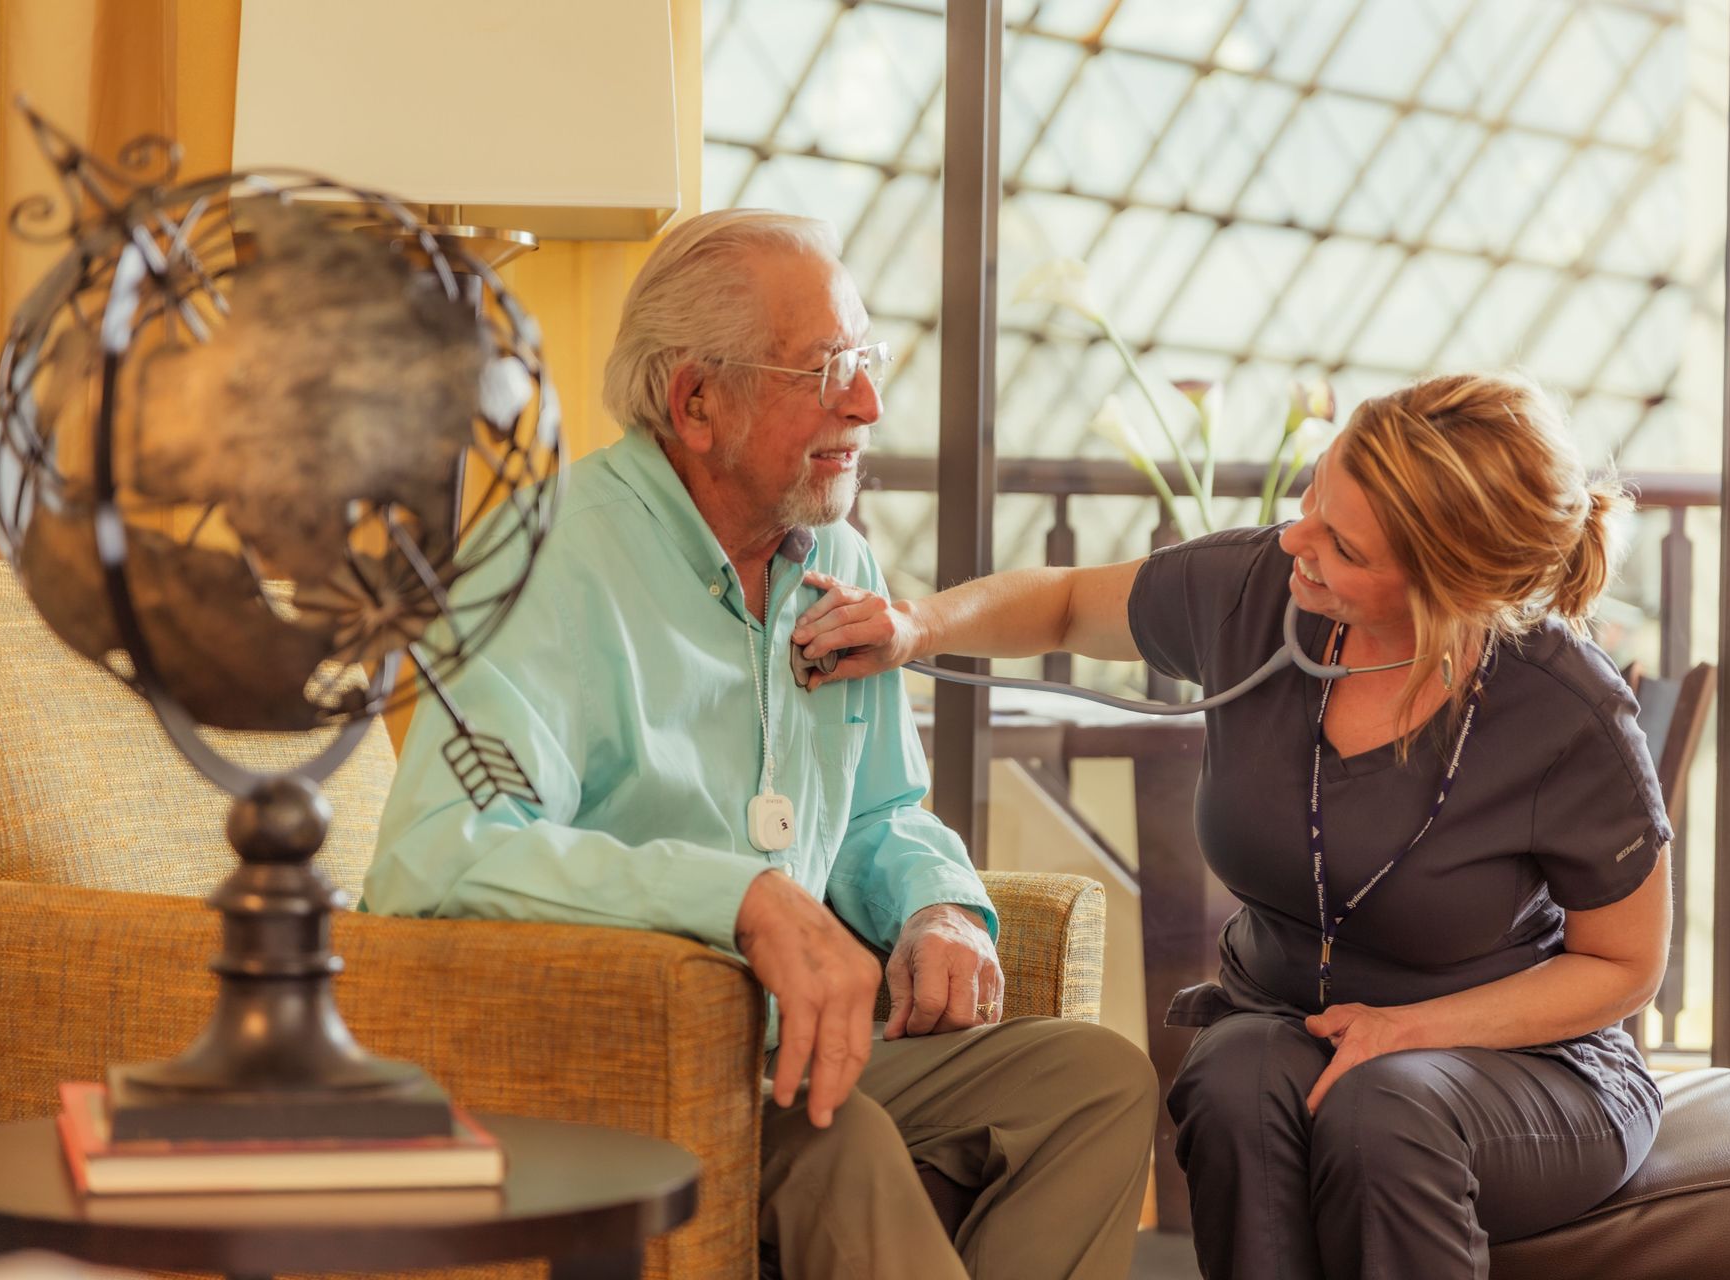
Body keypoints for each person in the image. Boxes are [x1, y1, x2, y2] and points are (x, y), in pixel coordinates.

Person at [363, 209, 1156, 1280]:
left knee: (1096, 1083)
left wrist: (935, 904)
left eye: (866, 365)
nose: (868, 407)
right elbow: (440, 853)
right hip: (620, 1054)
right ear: (697, 401)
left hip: (798, 1051)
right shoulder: (542, 561)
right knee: (841, 1143)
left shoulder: (840, 562)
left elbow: (877, 811)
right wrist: (735, 895)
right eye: (828, 370)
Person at [792, 372, 1671, 1279]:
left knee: (1383, 1113)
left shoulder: (1565, 709)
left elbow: (1625, 965)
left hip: (1529, 1062)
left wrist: (1414, 1030)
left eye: (1343, 544)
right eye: (1314, 497)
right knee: (1229, 1078)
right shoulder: (1259, 590)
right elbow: (1063, 600)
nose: (1298, 538)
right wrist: (913, 624)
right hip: (1296, 1024)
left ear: (1447, 584)